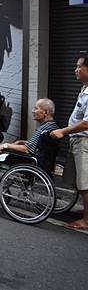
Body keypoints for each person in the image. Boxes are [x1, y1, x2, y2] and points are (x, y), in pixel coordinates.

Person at [0, 98, 59, 193]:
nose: (33, 111)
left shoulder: (43, 129)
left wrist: (6, 145)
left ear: (45, 112)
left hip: (30, 161)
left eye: (36, 108)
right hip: (41, 161)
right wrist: (23, 142)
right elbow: (38, 145)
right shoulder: (52, 126)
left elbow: (27, 149)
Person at [51, 53, 88, 231]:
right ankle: (85, 210)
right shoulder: (84, 89)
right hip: (77, 140)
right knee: (77, 180)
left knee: (85, 182)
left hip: (84, 142)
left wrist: (63, 131)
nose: (76, 70)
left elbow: (87, 123)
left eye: (79, 66)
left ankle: (86, 221)